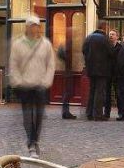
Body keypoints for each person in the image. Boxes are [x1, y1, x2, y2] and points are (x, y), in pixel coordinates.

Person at [8, 15, 55, 157]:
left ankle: (36, 140)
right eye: (32, 26)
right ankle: (31, 143)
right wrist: (18, 81)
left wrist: (46, 81)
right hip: (25, 85)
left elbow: (50, 64)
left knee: (39, 116)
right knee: (28, 116)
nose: (35, 28)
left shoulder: (45, 44)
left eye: (37, 26)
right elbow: (13, 64)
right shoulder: (18, 44)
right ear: (27, 27)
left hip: (40, 85)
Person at [82, 26, 113, 120]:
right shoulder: (105, 39)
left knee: (92, 91)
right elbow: (111, 53)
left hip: (90, 69)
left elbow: (84, 51)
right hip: (102, 70)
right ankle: (98, 114)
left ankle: (89, 113)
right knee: (100, 92)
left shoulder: (88, 38)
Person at [103, 29, 121, 119]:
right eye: (110, 34)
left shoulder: (121, 47)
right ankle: (106, 113)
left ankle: (121, 113)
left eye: (113, 34)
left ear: (117, 37)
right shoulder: (106, 47)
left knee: (118, 94)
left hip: (117, 74)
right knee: (107, 94)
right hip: (107, 73)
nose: (110, 36)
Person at [56, 44, 77, 119]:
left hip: (67, 74)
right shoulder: (65, 56)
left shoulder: (65, 55)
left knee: (68, 93)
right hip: (68, 75)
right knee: (68, 93)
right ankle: (65, 112)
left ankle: (65, 112)